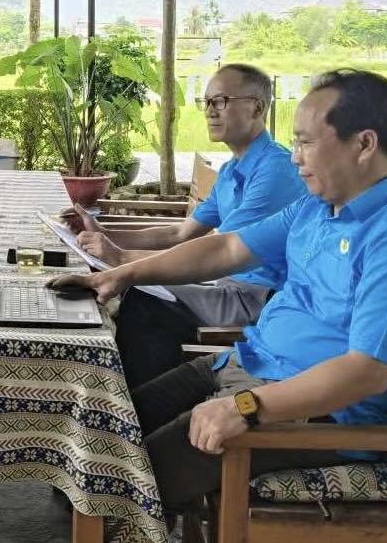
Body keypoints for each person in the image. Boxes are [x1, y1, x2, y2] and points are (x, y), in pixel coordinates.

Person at [49, 69, 387, 515]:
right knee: (104, 430)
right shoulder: (317, 207)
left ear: (363, 144)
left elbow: (367, 373)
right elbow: (228, 247)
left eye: (306, 142)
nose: (295, 157)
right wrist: (123, 274)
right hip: (248, 366)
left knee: (117, 481)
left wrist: (245, 408)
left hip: (311, 416)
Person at [70, 64, 307, 386]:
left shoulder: (275, 171)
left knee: (143, 299)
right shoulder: (231, 170)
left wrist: (123, 261)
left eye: (221, 101)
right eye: (206, 102)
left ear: (258, 107)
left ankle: (127, 401)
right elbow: (179, 232)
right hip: (222, 285)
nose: (210, 111)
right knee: (129, 292)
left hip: (256, 298)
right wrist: (107, 235)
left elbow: (220, 254)